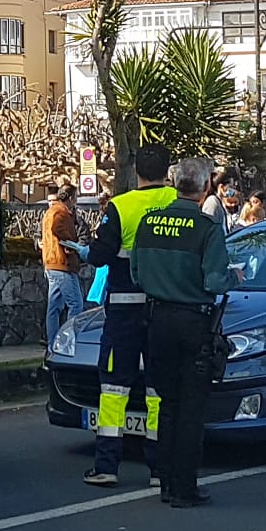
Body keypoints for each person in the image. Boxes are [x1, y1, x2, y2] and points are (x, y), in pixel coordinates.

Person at [132, 157, 235, 508]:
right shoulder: (207, 229)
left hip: (157, 320)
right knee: (192, 406)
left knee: (168, 403)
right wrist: (234, 277)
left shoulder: (148, 223)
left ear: (175, 184)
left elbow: (136, 273)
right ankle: (184, 486)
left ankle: (165, 482)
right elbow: (216, 281)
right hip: (193, 321)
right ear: (205, 187)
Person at [80, 142, 177, 488]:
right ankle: (159, 469)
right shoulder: (178, 205)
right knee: (159, 390)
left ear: (136, 169)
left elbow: (99, 256)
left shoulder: (121, 207)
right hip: (165, 311)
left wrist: (86, 249)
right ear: (168, 170)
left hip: (124, 312)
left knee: (114, 388)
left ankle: (107, 465)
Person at [40, 182, 84, 346]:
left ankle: (53, 342)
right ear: (71, 198)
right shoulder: (61, 212)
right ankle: (68, 343)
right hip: (62, 264)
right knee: (76, 305)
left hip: (51, 263)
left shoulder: (51, 211)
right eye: (76, 197)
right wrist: (71, 243)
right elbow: (57, 228)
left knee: (54, 306)